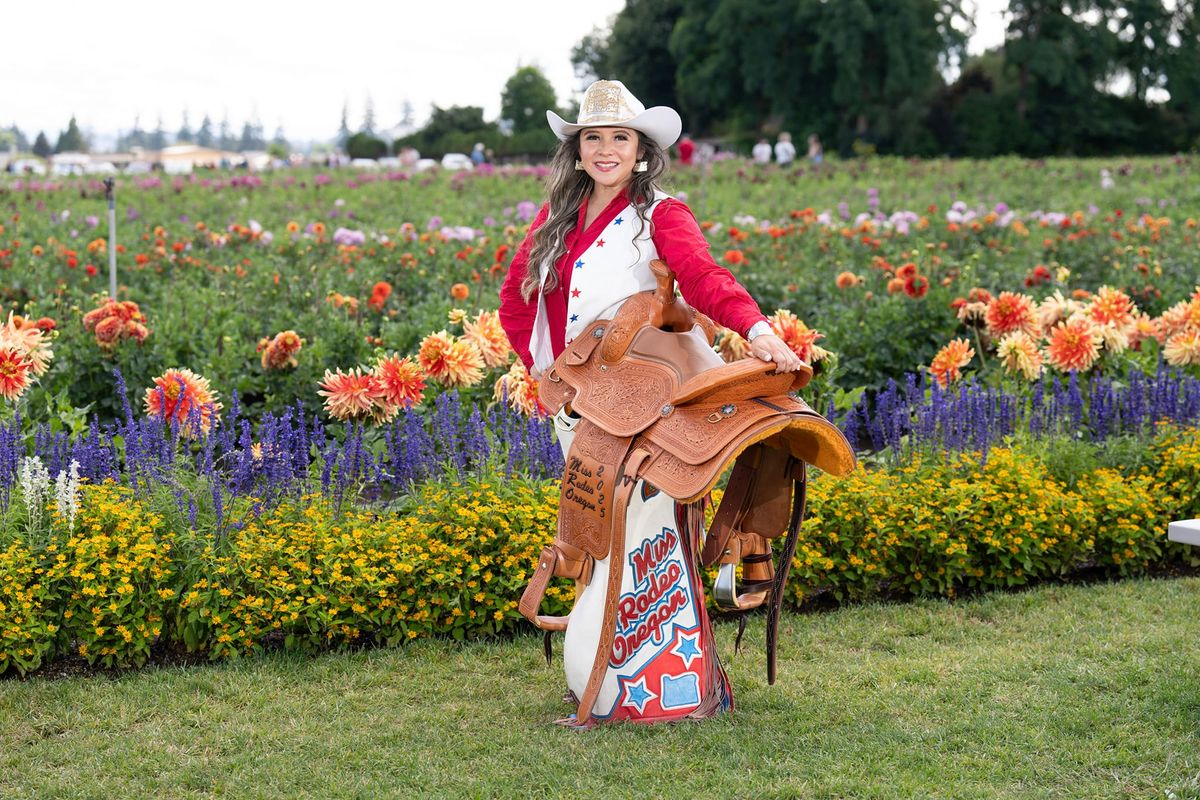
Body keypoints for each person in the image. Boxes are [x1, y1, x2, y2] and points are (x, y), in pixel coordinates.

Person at [499, 79, 803, 727]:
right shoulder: (555, 220)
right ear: (577, 151)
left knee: (642, 532)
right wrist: (543, 369)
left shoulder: (661, 212)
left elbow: (704, 278)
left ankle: (638, 683)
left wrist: (757, 330)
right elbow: (515, 297)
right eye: (593, 138)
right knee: (604, 530)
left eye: (619, 137)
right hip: (580, 408)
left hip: (647, 404)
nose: (605, 149)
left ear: (640, 149)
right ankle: (629, 678)